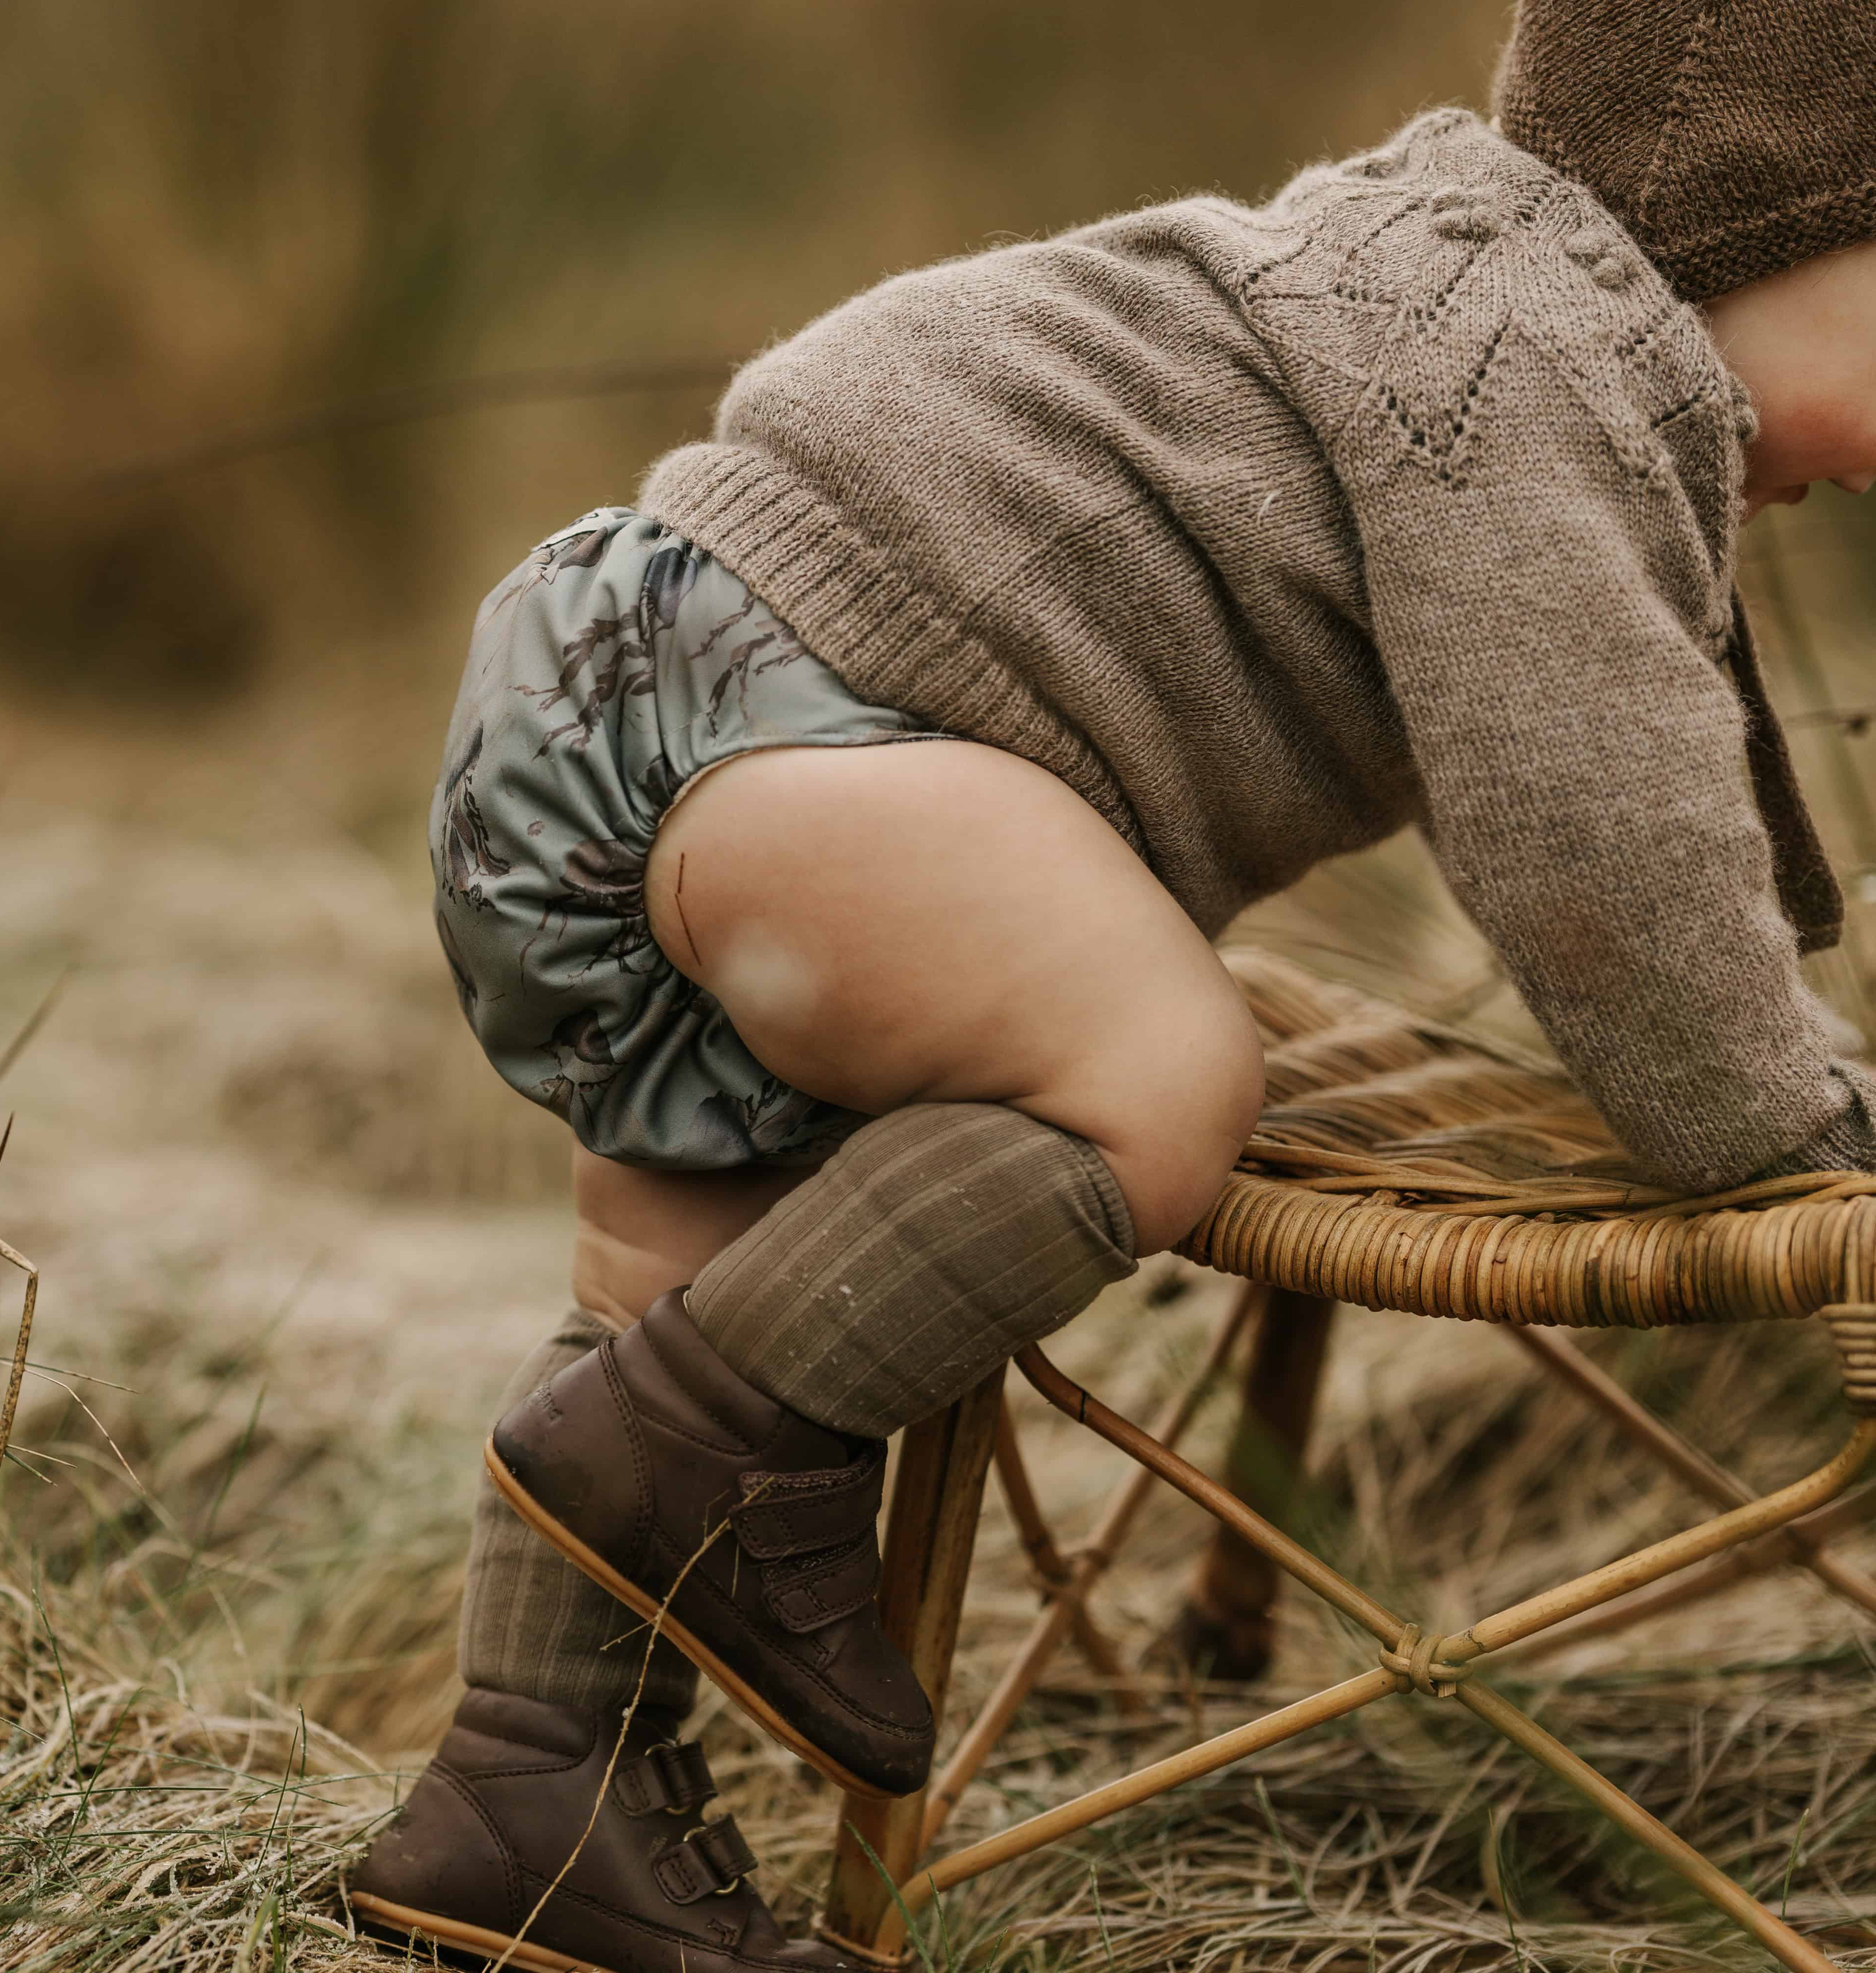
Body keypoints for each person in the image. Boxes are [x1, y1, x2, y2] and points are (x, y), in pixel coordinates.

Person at [342, 3, 1876, 1969]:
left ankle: (527, 1788)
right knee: (1159, 1067)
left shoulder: (1448, 276)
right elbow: (1595, 826)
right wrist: (1777, 1112)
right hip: (800, 725)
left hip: (624, 684)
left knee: (681, 1295)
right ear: (1753, 217)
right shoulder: (1534, 350)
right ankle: (705, 1449)